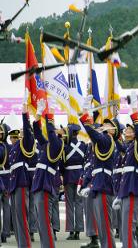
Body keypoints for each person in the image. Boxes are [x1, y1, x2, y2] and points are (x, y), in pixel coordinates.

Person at [114, 91, 138, 248]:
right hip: (128, 190)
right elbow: (119, 143)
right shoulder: (132, 146)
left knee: (128, 229)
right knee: (133, 229)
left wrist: (134, 111)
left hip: (134, 190)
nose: (129, 131)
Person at [80, 104, 118, 248]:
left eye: (108, 125)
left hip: (103, 185)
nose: (104, 125)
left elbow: (93, 134)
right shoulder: (102, 142)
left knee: (105, 226)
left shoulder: (107, 140)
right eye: (104, 124)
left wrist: (85, 115)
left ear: (113, 131)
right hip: (98, 184)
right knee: (102, 226)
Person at [31, 100, 64, 248]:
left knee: (44, 222)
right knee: (41, 223)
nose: (55, 129)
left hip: (45, 186)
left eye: (59, 129)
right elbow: (37, 132)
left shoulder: (57, 145)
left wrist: (49, 115)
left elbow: (50, 132)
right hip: (39, 184)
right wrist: (38, 115)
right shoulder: (48, 146)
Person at [8, 104, 34, 248]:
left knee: (22, 217)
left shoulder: (26, 143)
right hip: (14, 183)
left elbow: (29, 134)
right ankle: (20, 244)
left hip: (21, 182)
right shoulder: (14, 147)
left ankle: (25, 245)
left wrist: (25, 115)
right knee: (16, 217)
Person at [61, 123, 86, 240]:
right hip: (80, 177)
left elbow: (61, 164)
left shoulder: (65, 147)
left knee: (70, 205)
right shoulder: (83, 146)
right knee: (79, 203)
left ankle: (71, 231)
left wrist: (62, 173)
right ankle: (79, 230)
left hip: (68, 176)